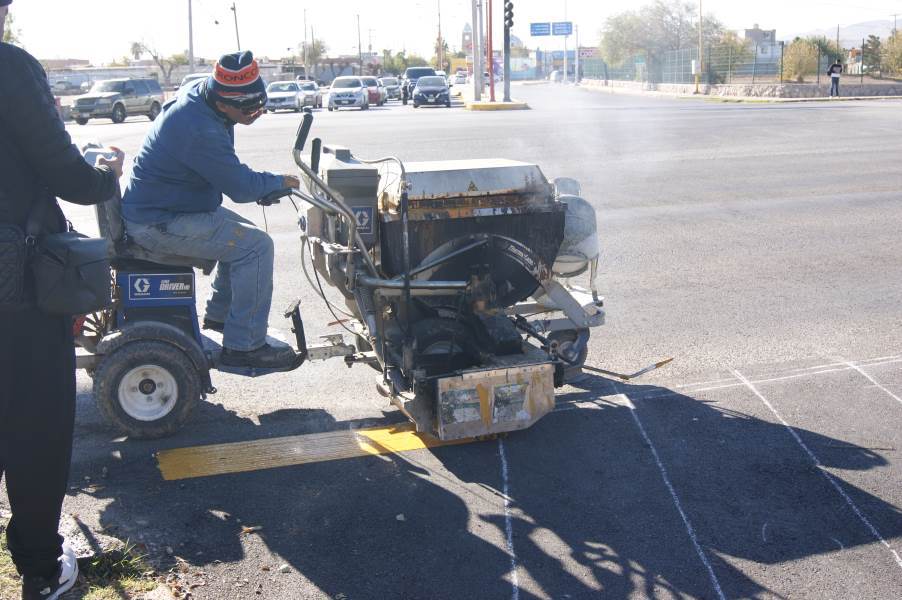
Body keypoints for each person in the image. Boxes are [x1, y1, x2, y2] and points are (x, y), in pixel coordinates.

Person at [0, 2, 125, 599]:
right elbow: (67, 173)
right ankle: (41, 569)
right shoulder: (9, 67)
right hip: (16, 292)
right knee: (35, 424)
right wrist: (106, 172)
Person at [121, 51, 302, 371]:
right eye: (249, 109)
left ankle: (220, 317)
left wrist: (266, 186)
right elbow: (240, 187)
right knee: (256, 247)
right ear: (223, 103)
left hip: (169, 207)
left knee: (246, 236)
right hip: (157, 222)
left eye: (259, 105)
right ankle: (244, 347)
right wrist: (276, 182)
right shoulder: (197, 127)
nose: (256, 114)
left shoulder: (204, 97)